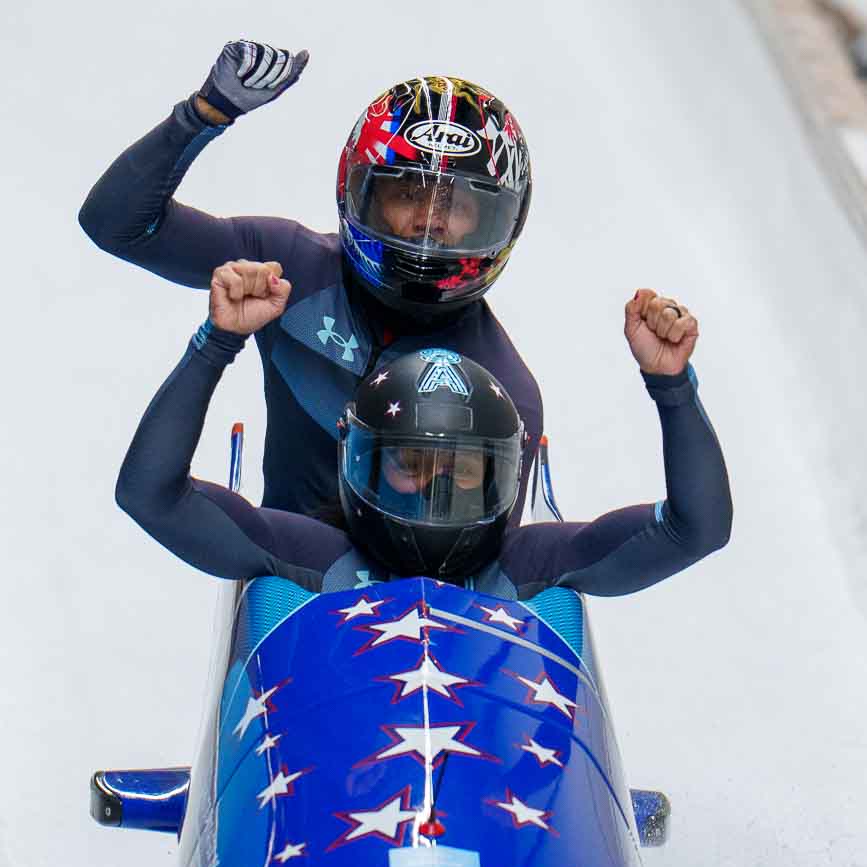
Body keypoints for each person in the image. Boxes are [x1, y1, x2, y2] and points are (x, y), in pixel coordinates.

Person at [79, 42, 541, 519]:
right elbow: (118, 226)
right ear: (361, 191)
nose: (429, 223)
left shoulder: (507, 393)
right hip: (281, 574)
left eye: (457, 206)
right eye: (409, 193)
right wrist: (201, 116)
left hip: (374, 583)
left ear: (498, 221)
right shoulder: (286, 268)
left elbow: (484, 565)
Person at [115, 262, 731, 598]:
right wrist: (217, 343)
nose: (437, 492)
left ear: (502, 479)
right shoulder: (306, 553)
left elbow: (695, 529)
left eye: (463, 471)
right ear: (362, 469)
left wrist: (671, 386)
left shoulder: (528, 563)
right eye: (410, 466)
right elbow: (150, 495)